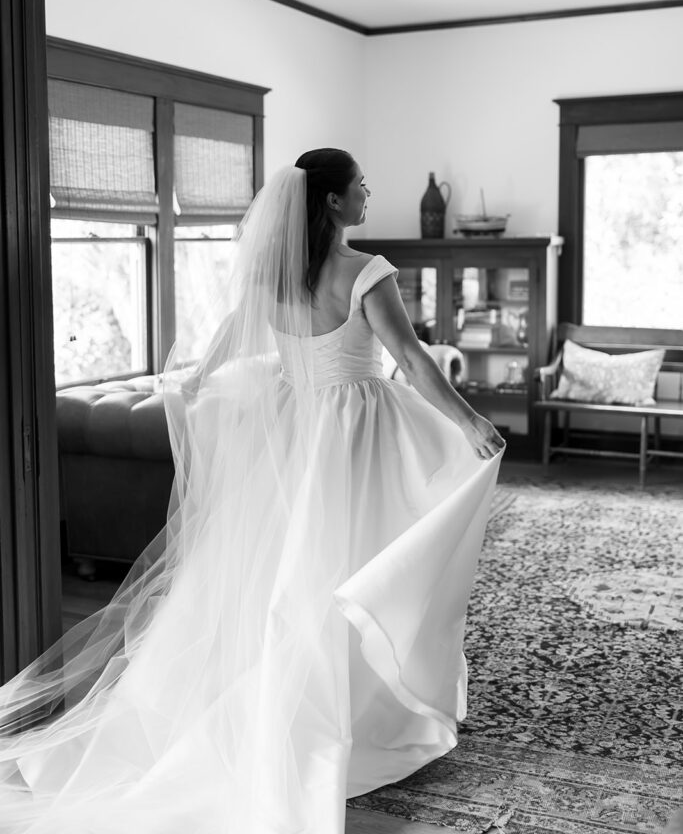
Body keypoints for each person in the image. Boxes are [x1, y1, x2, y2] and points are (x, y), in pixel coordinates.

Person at [0, 148, 504, 833]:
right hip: (358, 427)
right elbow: (411, 361)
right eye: (359, 186)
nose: (366, 194)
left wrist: (199, 382)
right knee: (367, 560)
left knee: (292, 574)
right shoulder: (367, 272)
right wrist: (470, 421)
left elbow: (222, 343)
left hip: (298, 432)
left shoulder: (273, 274)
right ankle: (350, 706)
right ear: (330, 200)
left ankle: (301, 696)